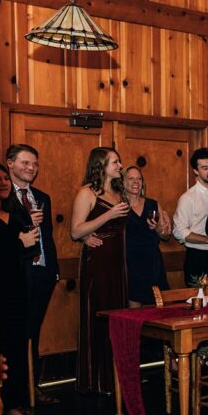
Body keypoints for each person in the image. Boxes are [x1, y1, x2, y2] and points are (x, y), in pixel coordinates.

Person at [5, 143, 60, 406]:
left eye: (35, 164)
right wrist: (28, 222)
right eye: (26, 163)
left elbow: (47, 237)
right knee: (17, 333)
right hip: (17, 274)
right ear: (10, 164)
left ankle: (32, 387)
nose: (31, 168)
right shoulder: (2, 198)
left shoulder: (42, 197)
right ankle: (15, 393)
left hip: (42, 273)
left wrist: (54, 270)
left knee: (34, 332)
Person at [71, 147, 129, 394]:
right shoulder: (87, 193)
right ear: (101, 165)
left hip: (118, 260)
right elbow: (76, 231)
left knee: (118, 316)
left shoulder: (118, 191)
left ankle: (116, 378)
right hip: (98, 261)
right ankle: (96, 380)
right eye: (115, 161)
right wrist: (108, 215)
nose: (120, 165)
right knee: (99, 316)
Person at [0, 163, 40, 415]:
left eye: (4, 179)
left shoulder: (14, 212)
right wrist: (17, 243)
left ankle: (13, 404)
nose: (2, 183)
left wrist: (24, 244)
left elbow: (28, 249)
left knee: (15, 344)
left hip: (16, 287)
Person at [172, 148, 208, 287]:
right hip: (198, 257)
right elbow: (179, 230)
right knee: (199, 304)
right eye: (205, 168)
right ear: (195, 170)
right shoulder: (188, 198)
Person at [123, 166, 171, 307]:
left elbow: (166, 236)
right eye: (131, 178)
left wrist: (156, 227)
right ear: (123, 182)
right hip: (129, 262)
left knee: (158, 307)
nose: (135, 182)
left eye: (139, 178)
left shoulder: (152, 204)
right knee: (134, 310)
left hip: (152, 261)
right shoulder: (118, 206)